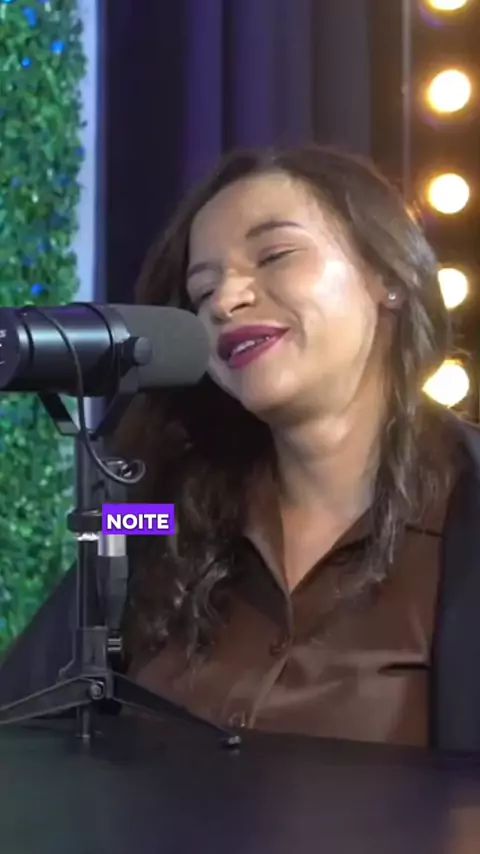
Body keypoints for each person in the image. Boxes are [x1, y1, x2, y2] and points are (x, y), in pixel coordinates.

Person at [2, 144, 480, 752]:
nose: (226, 302)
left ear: (388, 277)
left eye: (275, 256)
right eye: (202, 292)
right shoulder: (158, 517)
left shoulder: (463, 509)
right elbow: (25, 713)